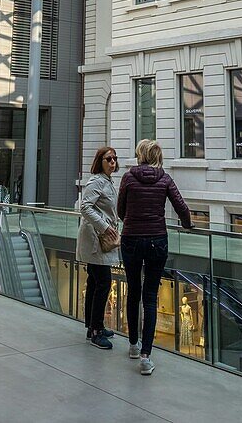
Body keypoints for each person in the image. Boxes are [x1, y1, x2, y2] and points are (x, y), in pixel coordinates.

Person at [118, 139, 192, 376]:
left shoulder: (128, 178)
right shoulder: (165, 178)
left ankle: (132, 344)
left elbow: (121, 210)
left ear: (140, 155)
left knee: (133, 291)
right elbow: (182, 207)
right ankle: (146, 356)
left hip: (131, 238)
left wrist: (131, 218)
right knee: (150, 297)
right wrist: (188, 226)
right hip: (157, 240)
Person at [76, 146, 120, 349]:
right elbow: (85, 207)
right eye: (108, 159)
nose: (112, 162)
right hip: (96, 240)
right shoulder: (96, 181)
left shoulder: (107, 181)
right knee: (102, 283)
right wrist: (104, 226)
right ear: (99, 161)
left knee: (95, 282)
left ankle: (93, 327)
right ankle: (95, 330)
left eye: (114, 159)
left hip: (99, 238)